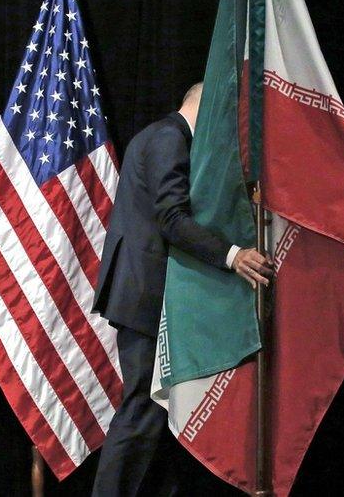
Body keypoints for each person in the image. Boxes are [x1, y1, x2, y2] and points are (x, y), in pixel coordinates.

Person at [91, 82, 273, 496]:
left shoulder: (162, 137)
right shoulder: (170, 138)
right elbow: (172, 218)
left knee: (160, 415)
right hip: (144, 295)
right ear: (205, 109)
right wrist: (233, 255)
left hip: (147, 294)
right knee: (141, 409)